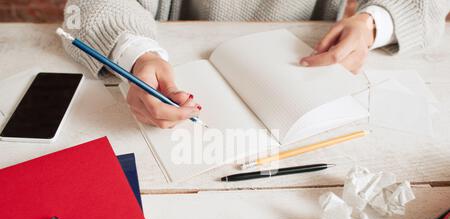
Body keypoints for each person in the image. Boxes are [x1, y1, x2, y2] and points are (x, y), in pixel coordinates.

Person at [63, 0, 449, 129]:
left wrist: (373, 23)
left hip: (306, 63)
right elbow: (84, 7)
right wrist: (137, 54)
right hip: (178, 53)